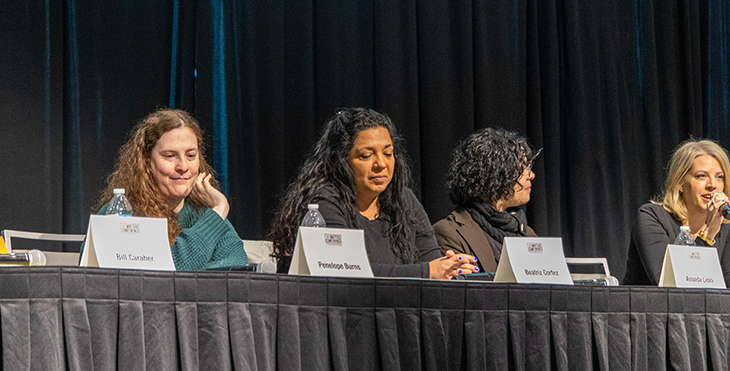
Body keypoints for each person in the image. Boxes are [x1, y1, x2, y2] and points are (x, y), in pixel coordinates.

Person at [268, 107, 477, 279]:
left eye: (388, 153)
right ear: (341, 161)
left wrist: (450, 267)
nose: (381, 164)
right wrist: (427, 272)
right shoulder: (324, 202)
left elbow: (430, 260)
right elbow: (345, 270)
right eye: (366, 155)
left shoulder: (403, 199)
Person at [623, 138, 730, 287]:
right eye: (702, 176)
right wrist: (708, 235)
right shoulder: (651, 217)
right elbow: (672, 286)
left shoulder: (724, 224)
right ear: (680, 183)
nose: (712, 185)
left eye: (719, 177)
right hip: (648, 320)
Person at [94, 108, 247, 270]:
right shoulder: (121, 213)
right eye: (169, 156)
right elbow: (167, 276)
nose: (183, 166)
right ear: (147, 162)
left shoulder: (204, 214)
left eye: (190, 155)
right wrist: (219, 210)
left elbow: (237, 268)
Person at [433, 127, 539, 273]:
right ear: (493, 174)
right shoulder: (450, 233)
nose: (531, 175)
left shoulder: (528, 234)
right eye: (522, 168)